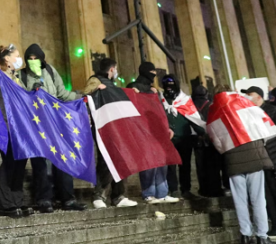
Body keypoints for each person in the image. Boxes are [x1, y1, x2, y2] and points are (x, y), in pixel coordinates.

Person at [16, 43, 86, 212]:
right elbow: (18, 99)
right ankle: (43, 199)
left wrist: (82, 97)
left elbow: (62, 93)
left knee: (62, 160)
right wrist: (30, 94)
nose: (33, 61)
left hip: (55, 124)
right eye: (30, 59)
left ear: (42, 59)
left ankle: (67, 199)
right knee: (40, 163)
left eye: (36, 58)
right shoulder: (22, 76)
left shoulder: (50, 72)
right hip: (36, 126)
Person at [211, 85, 274, 244]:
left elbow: (216, 141)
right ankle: (262, 236)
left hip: (232, 159)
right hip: (253, 155)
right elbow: (264, 123)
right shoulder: (243, 102)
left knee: (240, 200)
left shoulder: (213, 110)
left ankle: (245, 235)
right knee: (258, 199)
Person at [84, 58, 138, 209]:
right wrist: (95, 90)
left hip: (116, 127)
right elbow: (85, 96)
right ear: (111, 69)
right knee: (106, 160)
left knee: (121, 159)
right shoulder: (95, 80)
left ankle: (119, 196)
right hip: (102, 126)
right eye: (115, 69)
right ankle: (99, 195)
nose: (116, 72)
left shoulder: (112, 85)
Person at [0, 44, 33, 218]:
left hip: (18, 126)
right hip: (4, 124)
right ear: (7, 58)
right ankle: (6, 204)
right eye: (17, 55)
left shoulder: (16, 78)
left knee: (20, 161)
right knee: (9, 161)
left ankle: (17, 200)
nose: (19, 59)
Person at [127, 62, 179, 205]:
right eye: (152, 72)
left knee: (162, 161)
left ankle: (162, 193)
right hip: (142, 130)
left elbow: (160, 111)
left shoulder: (154, 90)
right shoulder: (133, 87)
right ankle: (148, 193)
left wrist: (167, 127)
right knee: (148, 162)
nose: (154, 75)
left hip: (157, 130)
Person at [162, 74, 202, 200]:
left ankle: (186, 189)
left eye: (172, 84)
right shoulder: (162, 99)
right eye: (166, 84)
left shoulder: (184, 100)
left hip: (185, 137)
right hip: (169, 139)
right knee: (171, 165)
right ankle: (173, 189)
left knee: (185, 165)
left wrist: (203, 132)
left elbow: (194, 118)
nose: (169, 87)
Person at [244, 86, 276, 239]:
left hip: (272, 157)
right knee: (267, 194)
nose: (248, 97)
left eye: (250, 95)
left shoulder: (271, 110)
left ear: (259, 97)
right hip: (261, 159)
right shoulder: (249, 113)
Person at [191, 85, 228, 198]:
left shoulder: (190, 106)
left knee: (201, 165)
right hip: (211, 138)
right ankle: (215, 188)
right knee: (214, 164)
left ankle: (204, 189)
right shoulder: (211, 105)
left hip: (197, 139)